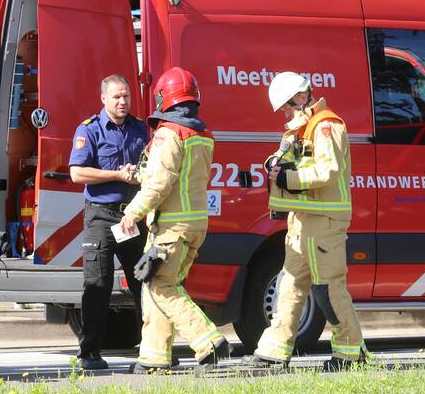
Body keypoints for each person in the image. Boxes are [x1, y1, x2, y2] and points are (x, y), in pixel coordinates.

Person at [243, 71, 365, 371]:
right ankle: (273, 351)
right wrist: (275, 166)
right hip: (302, 220)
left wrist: (288, 177)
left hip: (324, 221)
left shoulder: (326, 125)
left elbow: (328, 172)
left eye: (286, 105)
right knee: (289, 284)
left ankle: (351, 354)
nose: (284, 112)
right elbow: (287, 160)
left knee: (328, 288)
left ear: (300, 97)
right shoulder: (301, 128)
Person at [119, 67, 231, 373]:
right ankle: (154, 356)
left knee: (160, 286)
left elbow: (161, 183)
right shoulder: (202, 134)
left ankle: (209, 342)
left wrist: (133, 212)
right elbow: (178, 178)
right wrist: (142, 173)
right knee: (160, 285)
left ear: (163, 99)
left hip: (171, 225)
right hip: (194, 224)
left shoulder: (169, 133)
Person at [68, 74, 150, 371]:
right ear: (103, 98)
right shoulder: (89, 130)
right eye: (116, 96)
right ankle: (89, 352)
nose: (123, 101)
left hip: (131, 217)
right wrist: (116, 175)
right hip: (101, 217)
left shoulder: (140, 129)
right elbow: (78, 174)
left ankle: (152, 347)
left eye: (126, 96)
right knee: (97, 284)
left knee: (144, 281)